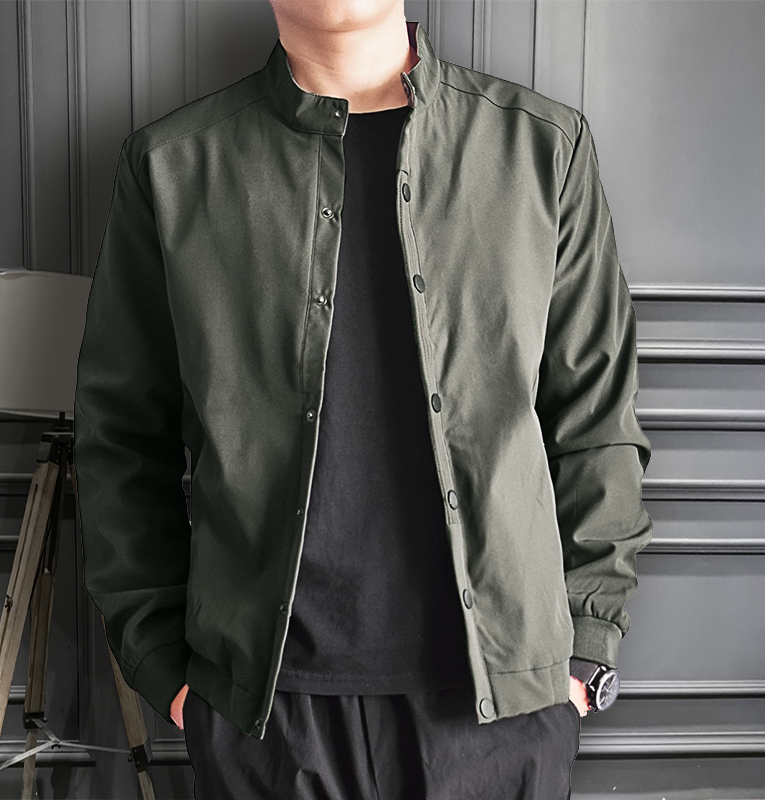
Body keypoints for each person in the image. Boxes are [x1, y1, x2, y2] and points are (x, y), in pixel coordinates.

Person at [74, 1, 653, 798]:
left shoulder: (541, 147)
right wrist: (164, 662)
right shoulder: (172, 165)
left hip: (504, 707)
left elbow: (595, 419)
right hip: (265, 714)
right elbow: (120, 436)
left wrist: (585, 646)